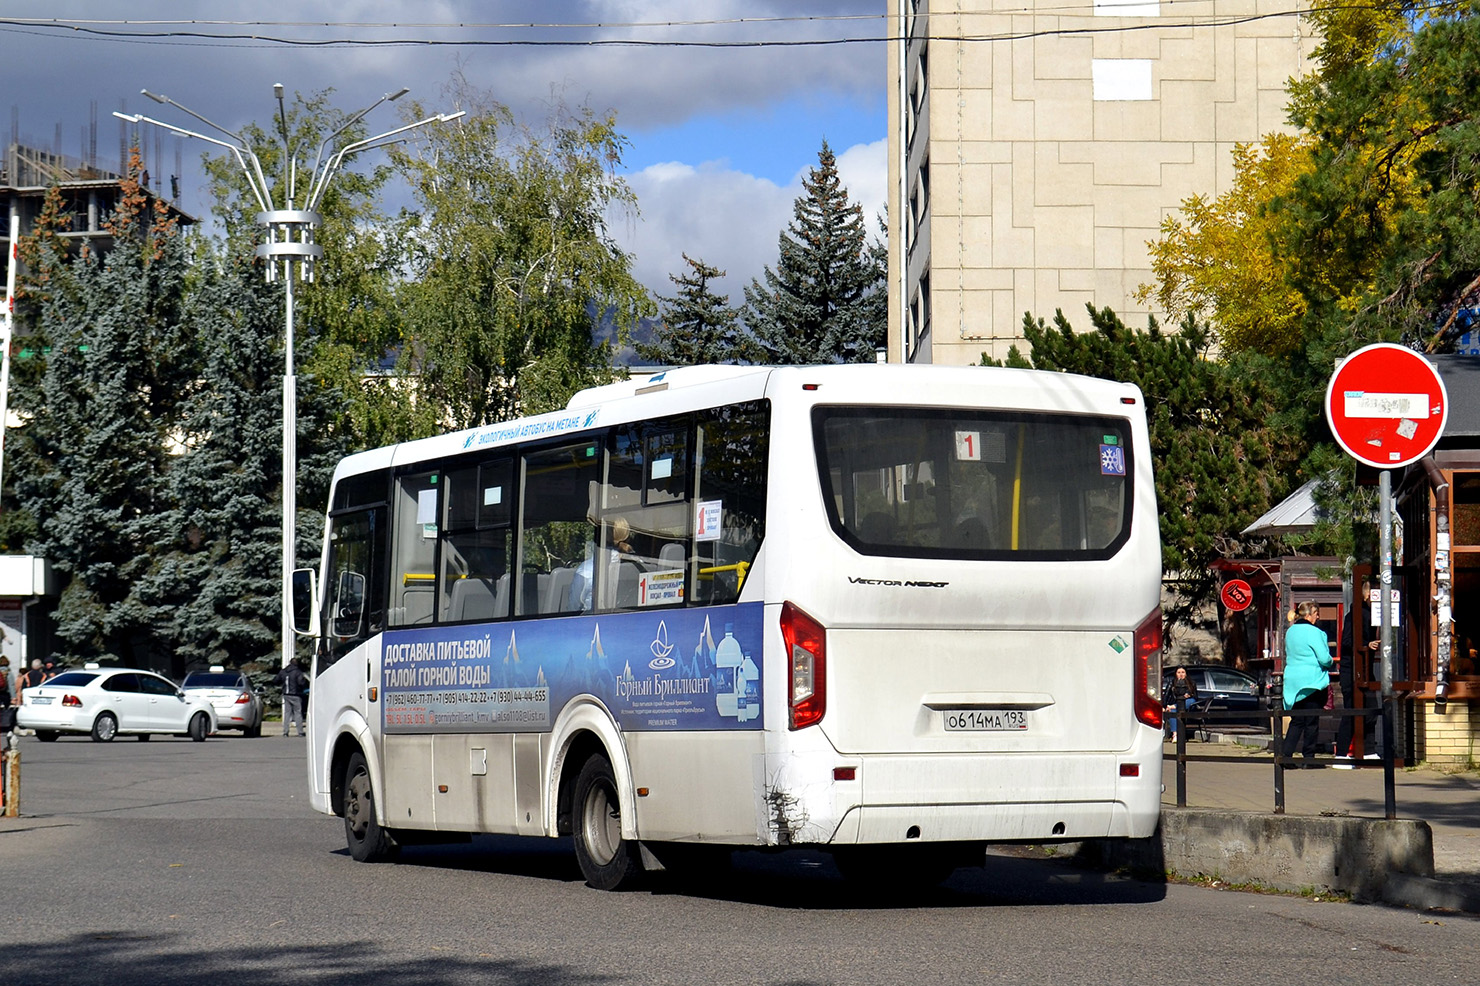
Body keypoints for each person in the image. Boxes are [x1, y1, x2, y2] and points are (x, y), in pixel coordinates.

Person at [1282, 601, 1334, 766]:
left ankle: (1286, 756)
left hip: (1293, 682)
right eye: (1316, 613)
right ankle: (1309, 758)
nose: (1318, 617)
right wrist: (1331, 662)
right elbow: (1325, 658)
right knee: (1311, 722)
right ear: (1309, 615)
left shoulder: (1290, 632)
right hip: (1312, 681)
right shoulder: (1315, 632)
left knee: (1297, 721)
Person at [1335, 583, 1377, 765]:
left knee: (1371, 710)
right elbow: (1346, 642)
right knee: (1352, 712)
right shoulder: (1356, 615)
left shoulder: (1370, 615)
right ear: (1366, 595)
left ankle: (1368, 751)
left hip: (1364, 669)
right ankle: (1342, 754)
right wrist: (1366, 646)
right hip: (1352, 671)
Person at [274, 658, 309, 737]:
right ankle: (300, 731)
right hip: (296, 694)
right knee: (298, 713)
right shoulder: (298, 672)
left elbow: (276, 680)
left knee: (287, 713)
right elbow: (301, 683)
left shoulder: (283, 671)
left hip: (286, 694)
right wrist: (303, 687)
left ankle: (285, 732)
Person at [1164, 666, 1199, 742]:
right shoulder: (1172, 683)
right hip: (1175, 706)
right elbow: (1166, 695)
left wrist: (1189, 695)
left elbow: (1196, 697)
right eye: (1179, 672)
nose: (1181, 674)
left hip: (1188, 706)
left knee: (1191, 701)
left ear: (1186, 674)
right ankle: (1175, 734)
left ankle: (1174, 706)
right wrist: (1164, 706)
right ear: (1176, 674)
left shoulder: (1192, 683)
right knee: (1173, 712)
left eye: (1183, 672)